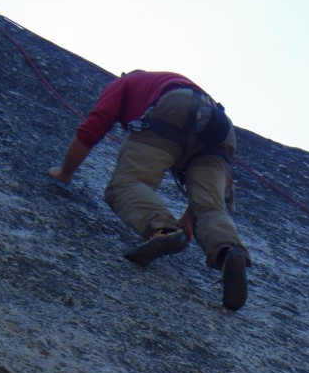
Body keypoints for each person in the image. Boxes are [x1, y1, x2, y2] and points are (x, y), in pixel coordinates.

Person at [48, 70, 251, 310]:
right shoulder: (169, 81)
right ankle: (228, 252)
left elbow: (95, 125)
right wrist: (187, 222)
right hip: (221, 127)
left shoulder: (125, 82)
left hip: (176, 106)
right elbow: (207, 197)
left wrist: (66, 172)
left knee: (127, 183)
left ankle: (161, 228)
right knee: (211, 207)